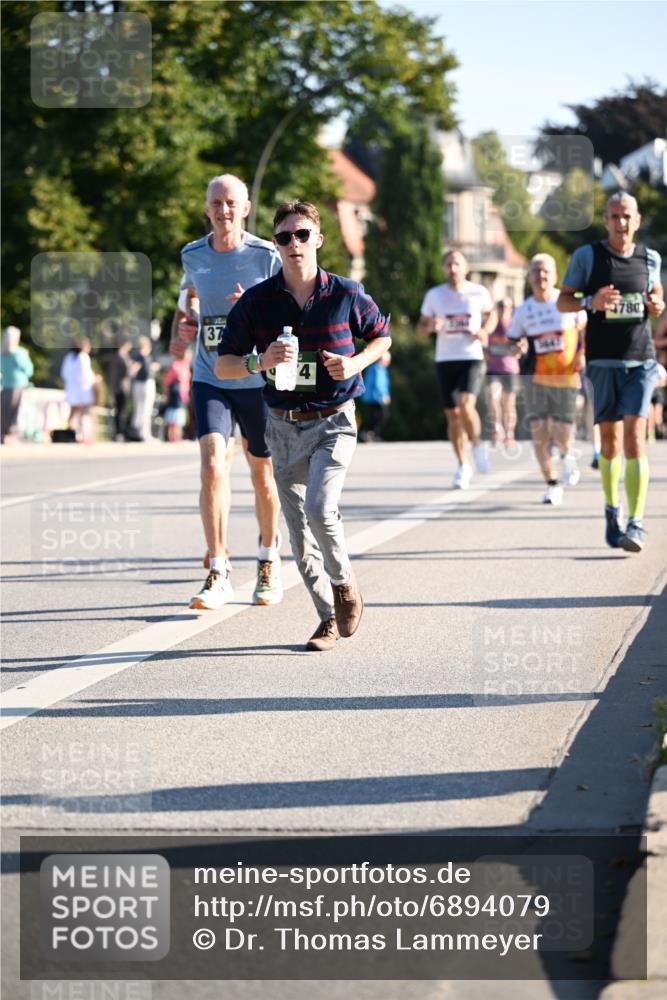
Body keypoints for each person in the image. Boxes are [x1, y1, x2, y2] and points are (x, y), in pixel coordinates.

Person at [216, 199, 391, 651]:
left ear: (318, 239)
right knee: (297, 531)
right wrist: (261, 360)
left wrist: (354, 363)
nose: (293, 243)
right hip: (281, 425)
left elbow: (381, 336)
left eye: (301, 234)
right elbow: (224, 365)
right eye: (283, 237)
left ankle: (345, 583)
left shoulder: (346, 293)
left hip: (334, 420)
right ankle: (327, 618)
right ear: (275, 245)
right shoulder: (258, 301)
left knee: (319, 507)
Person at [175, 173, 284, 610]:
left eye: (231, 203)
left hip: (256, 380)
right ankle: (218, 569)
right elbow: (189, 300)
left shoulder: (265, 256)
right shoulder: (192, 254)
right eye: (216, 203)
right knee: (212, 467)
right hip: (210, 375)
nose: (223, 211)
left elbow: (287, 310)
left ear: (245, 208)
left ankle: (268, 559)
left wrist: (252, 308)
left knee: (262, 474)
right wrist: (182, 326)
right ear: (207, 208)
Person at [557, 192, 664, 551]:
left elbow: (656, 297)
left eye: (627, 216)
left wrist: (656, 305)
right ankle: (612, 511)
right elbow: (563, 300)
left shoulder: (650, 258)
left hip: (640, 359)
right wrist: (591, 301)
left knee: (635, 436)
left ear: (638, 219)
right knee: (610, 444)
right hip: (602, 361)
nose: (621, 223)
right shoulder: (588, 257)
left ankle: (636, 523)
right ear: (606, 219)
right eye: (615, 216)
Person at [508, 254, 586, 506]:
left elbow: (586, 331)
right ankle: (553, 484)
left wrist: (583, 354)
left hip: (566, 376)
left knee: (562, 432)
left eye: (546, 271)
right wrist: (516, 348)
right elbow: (512, 341)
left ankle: (566, 455)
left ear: (554, 275)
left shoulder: (567, 302)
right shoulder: (523, 310)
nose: (541, 276)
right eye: (536, 271)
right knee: (539, 433)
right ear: (529, 276)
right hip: (535, 377)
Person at [418, 250, 496, 488]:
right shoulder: (434, 295)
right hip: (445, 358)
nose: (453, 268)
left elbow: (491, 316)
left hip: (470, 356)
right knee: (452, 415)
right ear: (443, 268)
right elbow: (420, 327)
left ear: (466, 267)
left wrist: (485, 331)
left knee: (465, 404)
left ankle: (477, 443)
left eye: (457, 264)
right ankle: (463, 465)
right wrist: (431, 325)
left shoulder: (478, 292)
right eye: (449, 264)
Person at [484, 298, 520, 448]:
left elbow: (520, 347)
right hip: (493, 369)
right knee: (492, 396)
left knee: (508, 404)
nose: (503, 308)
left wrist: (516, 349)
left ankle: (509, 433)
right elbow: (483, 343)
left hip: (510, 369)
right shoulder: (490, 325)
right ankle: (496, 428)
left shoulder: (514, 325)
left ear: (511, 309)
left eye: (506, 306)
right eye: (500, 306)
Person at [60, 338, 99, 443]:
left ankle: (70, 434)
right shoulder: (83, 357)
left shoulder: (69, 358)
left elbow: (64, 374)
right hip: (83, 391)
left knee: (72, 415)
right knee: (83, 414)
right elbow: (86, 376)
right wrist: (95, 379)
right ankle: (83, 436)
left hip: (72, 390)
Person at [1, 326, 33, 445]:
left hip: (5, 386)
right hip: (18, 386)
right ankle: (11, 436)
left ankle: (3, 435)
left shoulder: (2, 353)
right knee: (15, 413)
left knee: (4, 412)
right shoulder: (19, 353)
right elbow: (29, 370)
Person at [358, 351, 391, 442]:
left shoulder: (379, 368)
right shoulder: (377, 368)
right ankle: (367, 432)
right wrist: (384, 395)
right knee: (382, 416)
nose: (388, 362)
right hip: (376, 397)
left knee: (376, 416)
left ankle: (371, 433)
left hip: (373, 397)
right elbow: (379, 384)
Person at [129, 335, 157, 442]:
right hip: (145, 384)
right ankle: (144, 433)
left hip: (138, 384)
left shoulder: (137, 356)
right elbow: (134, 369)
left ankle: (139, 432)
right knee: (145, 409)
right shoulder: (143, 356)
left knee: (140, 408)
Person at [105, 335, 132, 441]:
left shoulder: (116, 357)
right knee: (121, 411)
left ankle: (119, 432)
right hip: (121, 387)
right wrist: (132, 368)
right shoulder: (121, 357)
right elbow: (125, 373)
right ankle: (120, 432)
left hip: (118, 387)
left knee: (120, 411)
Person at [162, 352, 192, 442]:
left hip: (182, 393)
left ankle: (178, 436)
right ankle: (172, 436)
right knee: (174, 416)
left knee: (179, 417)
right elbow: (167, 381)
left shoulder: (185, 366)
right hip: (175, 394)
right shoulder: (175, 365)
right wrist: (166, 394)